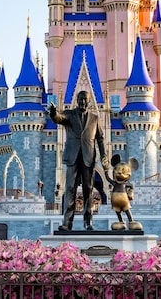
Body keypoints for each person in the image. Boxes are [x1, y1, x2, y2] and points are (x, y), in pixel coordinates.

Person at [49, 90, 110, 231]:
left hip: (88, 158)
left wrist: (104, 156)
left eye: (85, 100)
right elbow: (59, 118)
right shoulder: (69, 114)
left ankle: (88, 222)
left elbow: (100, 138)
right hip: (73, 157)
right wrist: (53, 112)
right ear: (77, 100)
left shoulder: (95, 118)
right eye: (81, 99)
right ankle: (67, 222)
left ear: (89, 102)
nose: (83, 102)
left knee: (88, 190)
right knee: (70, 189)